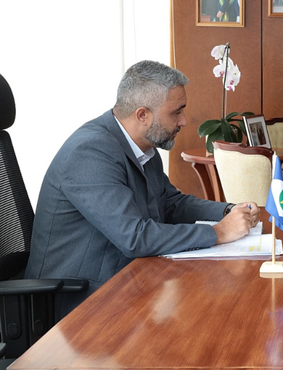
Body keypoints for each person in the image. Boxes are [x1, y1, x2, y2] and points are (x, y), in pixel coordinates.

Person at [25, 60, 261, 319]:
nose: (183, 121)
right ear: (142, 115)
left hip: (125, 281)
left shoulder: (143, 146)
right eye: (176, 112)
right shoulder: (90, 152)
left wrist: (228, 210)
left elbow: (171, 204)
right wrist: (219, 232)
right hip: (78, 303)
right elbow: (135, 237)